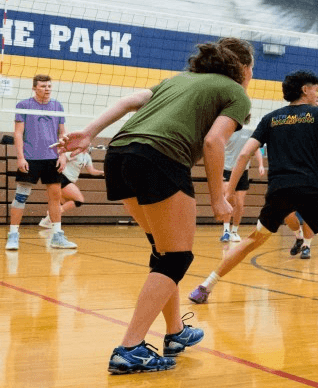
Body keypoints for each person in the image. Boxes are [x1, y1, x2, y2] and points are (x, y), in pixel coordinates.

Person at [59, 37, 253, 374]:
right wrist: (218, 198)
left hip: (119, 154)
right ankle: (130, 348)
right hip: (158, 157)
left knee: (164, 253)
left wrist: (89, 132)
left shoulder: (177, 81)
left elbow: (130, 100)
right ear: (244, 69)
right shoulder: (237, 93)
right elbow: (213, 141)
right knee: (177, 257)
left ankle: (176, 333)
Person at [187, 70, 318, 314]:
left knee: (252, 240)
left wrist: (228, 189)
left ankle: (205, 286)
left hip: (279, 190)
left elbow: (243, 154)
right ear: (305, 89)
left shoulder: (271, 118)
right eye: (316, 89)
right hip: (311, 188)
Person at [6, 74, 77, 250]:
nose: (47, 89)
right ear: (34, 88)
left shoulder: (57, 106)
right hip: (30, 158)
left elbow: (63, 135)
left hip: (52, 158)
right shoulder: (24, 105)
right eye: (43, 86)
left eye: (49, 86)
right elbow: (18, 133)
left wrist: (62, 155)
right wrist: (21, 157)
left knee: (55, 197)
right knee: (20, 197)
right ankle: (13, 235)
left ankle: (57, 236)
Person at [38, 148, 105, 228]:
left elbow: (92, 171)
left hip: (70, 181)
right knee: (79, 200)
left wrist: (102, 172)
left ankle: (48, 219)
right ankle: (51, 215)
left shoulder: (87, 157)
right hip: (63, 178)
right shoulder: (74, 152)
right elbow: (61, 160)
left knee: (66, 202)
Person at [219, 128, 265, 242]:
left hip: (243, 171)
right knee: (229, 199)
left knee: (239, 203)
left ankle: (234, 231)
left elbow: (256, 149)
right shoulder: (226, 130)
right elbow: (218, 150)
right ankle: (225, 231)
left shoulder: (249, 132)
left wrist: (261, 165)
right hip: (227, 170)